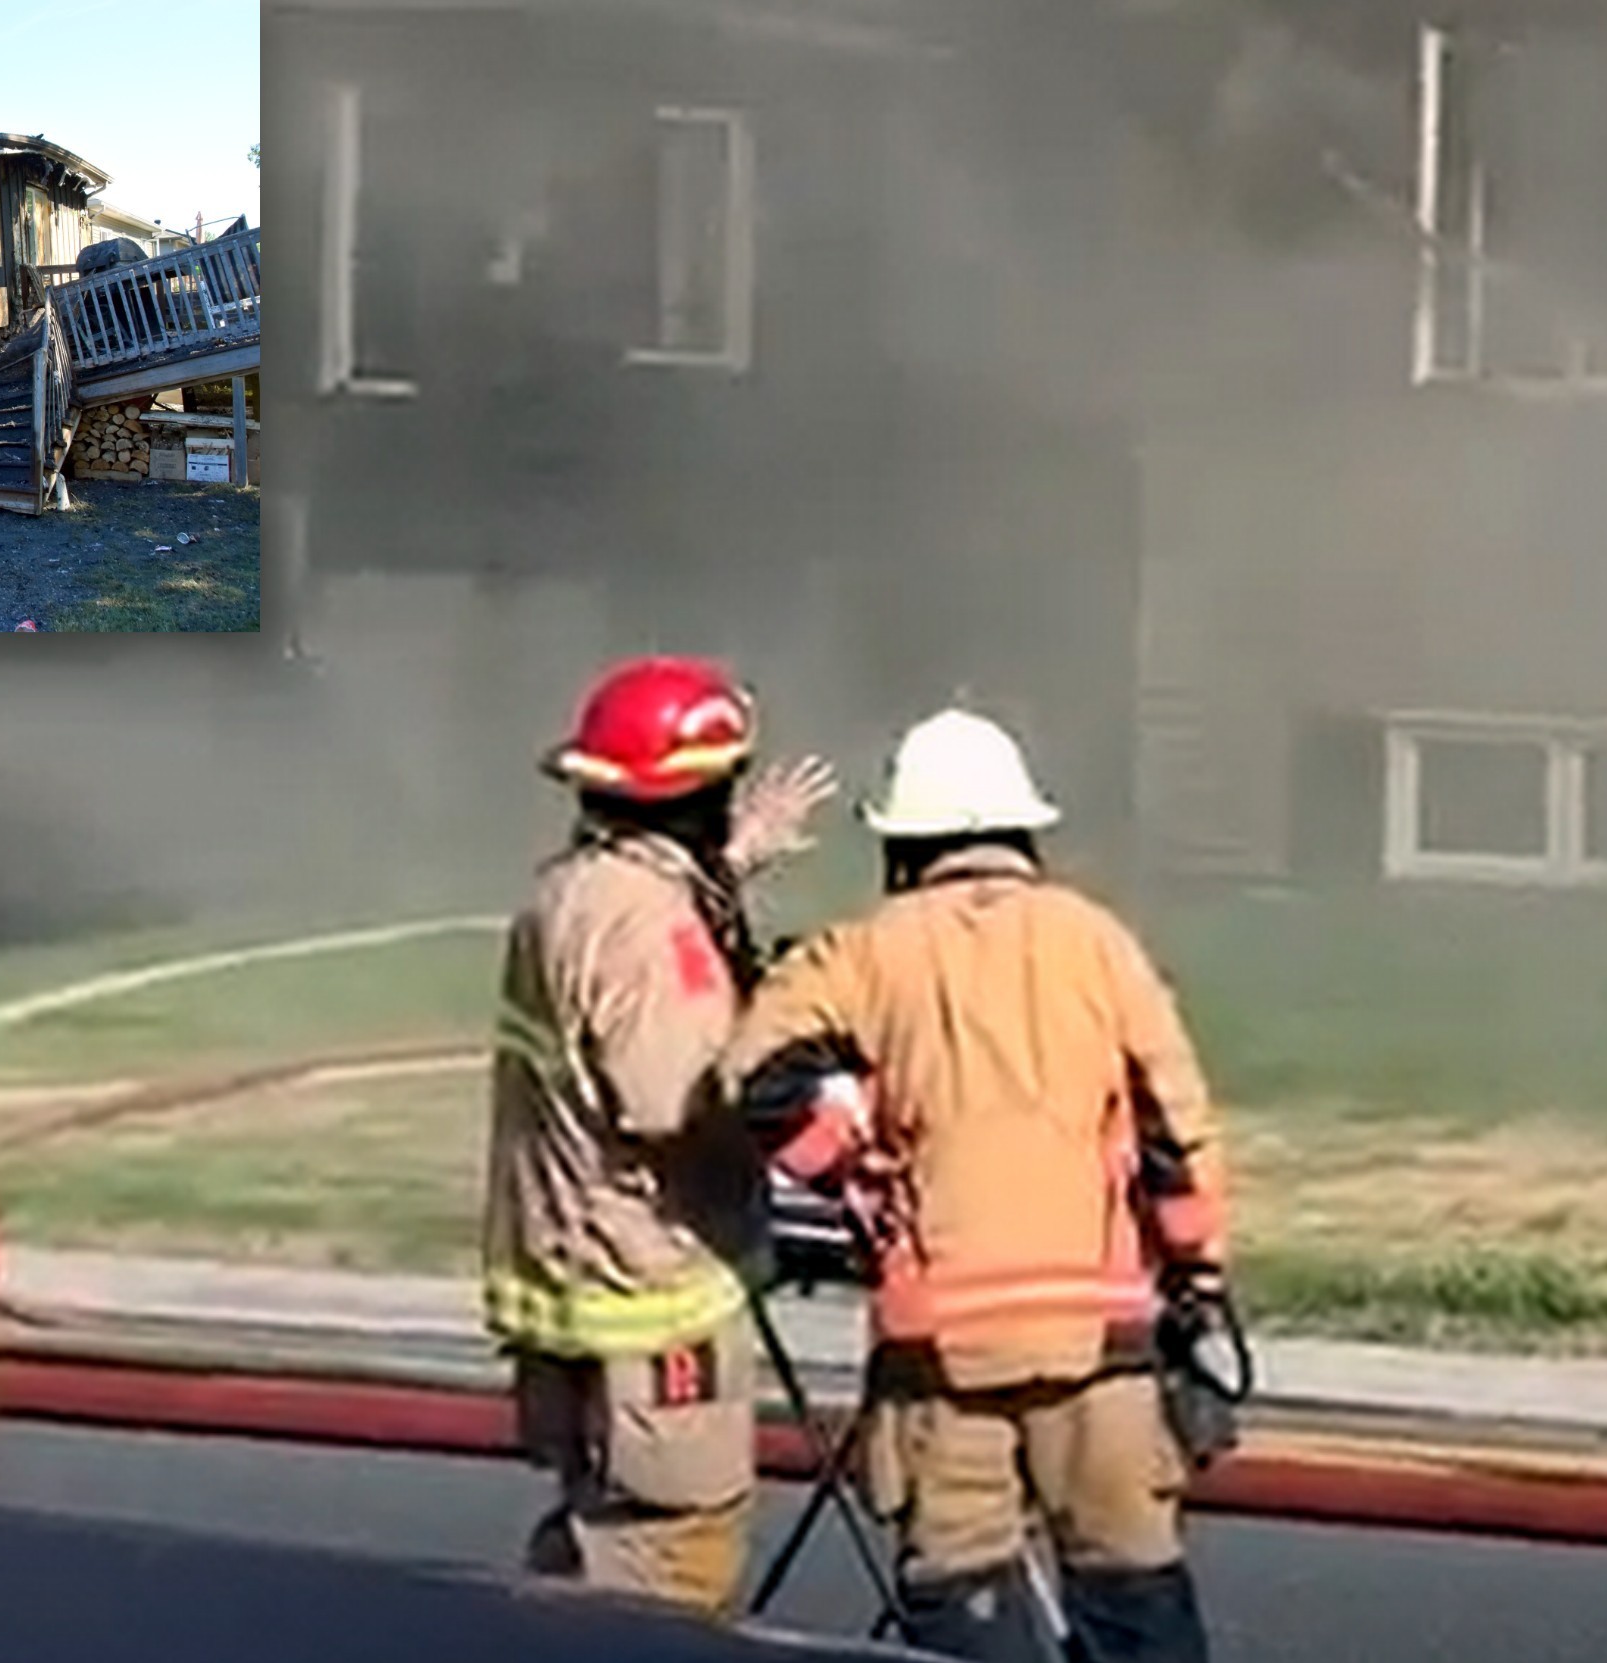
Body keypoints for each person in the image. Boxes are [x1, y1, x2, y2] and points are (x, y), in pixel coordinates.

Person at [726, 708, 1227, 1663]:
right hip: (1103, 1342)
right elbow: (1177, 1122)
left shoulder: (866, 950)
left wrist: (847, 1163)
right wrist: (1197, 1274)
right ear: (1022, 830)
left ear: (903, 844)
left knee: (963, 1596)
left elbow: (752, 1076)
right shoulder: (1098, 941)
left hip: (943, 1349)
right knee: (1132, 1587)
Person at [483, 653, 835, 1613]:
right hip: (652, 1309)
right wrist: (804, 1095)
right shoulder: (649, 931)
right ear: (698, 792)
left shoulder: (571, 892)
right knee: (670, 1572)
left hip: (576, 1293)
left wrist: (735, 858)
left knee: (587, 1556)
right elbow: (673, 1100)